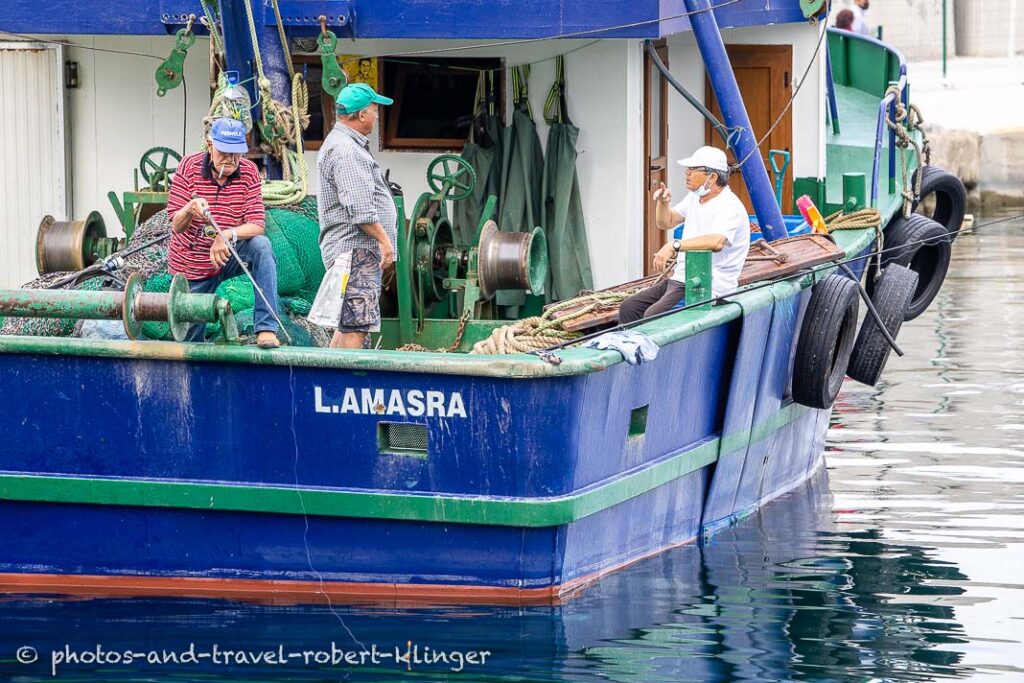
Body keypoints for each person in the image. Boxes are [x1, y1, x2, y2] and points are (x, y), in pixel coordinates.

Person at [166, 117, 281, 348]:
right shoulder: (188, 166)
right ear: (209, 145)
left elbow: (257, 224)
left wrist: (225, 235)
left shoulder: (248, 172)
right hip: (193, 263)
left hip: (227, 255)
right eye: (224, 152)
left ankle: (267, 328)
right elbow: (176, 225)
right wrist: (189, 208)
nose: (230, 159)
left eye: (236, 153)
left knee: (261, 246)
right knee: (189, 344)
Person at [618, 146, 750, 324]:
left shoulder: (729, 206)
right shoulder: (695, 198)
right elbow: (666, 222)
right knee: (629, 307)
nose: (687, 173)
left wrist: (674, 245)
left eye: (693, 170)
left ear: (712, 177)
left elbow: (716, 241)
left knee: (653, 316)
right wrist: (663, 203)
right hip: (682, 278)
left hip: (710, 286)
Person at [317, 83, 397, 349]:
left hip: (352, 252)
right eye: (375, 110)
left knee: (347, 325)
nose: (377, 115)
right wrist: (385, 242)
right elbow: (360, 211)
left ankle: (329, 383)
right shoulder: (347, 151)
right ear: (361, 115)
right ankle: (342, 385)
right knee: (357, 327)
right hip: (356, 252)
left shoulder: (344, 144)